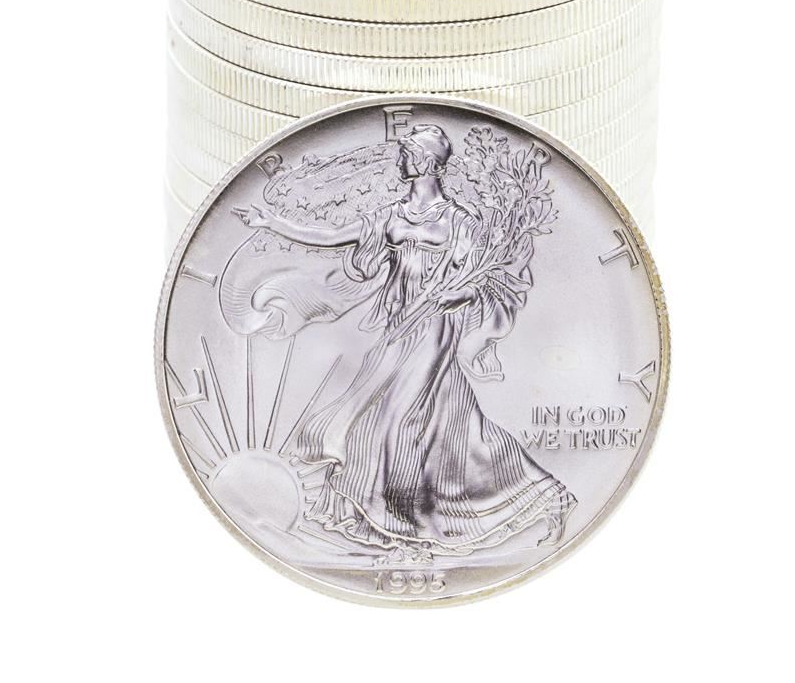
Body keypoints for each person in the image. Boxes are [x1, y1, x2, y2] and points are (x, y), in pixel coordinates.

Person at [240, 124, 575, 555]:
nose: (400, 160)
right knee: (432, 424)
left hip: (434, 327)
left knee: (401, 419)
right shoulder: (392, 215)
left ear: (426, 162)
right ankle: (535, 497)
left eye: (407, 154)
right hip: (398, 326)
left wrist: (458, 294)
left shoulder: (459, 221)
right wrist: (273, 223)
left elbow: (479, 281)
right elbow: (331, 237)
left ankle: (404, 522)